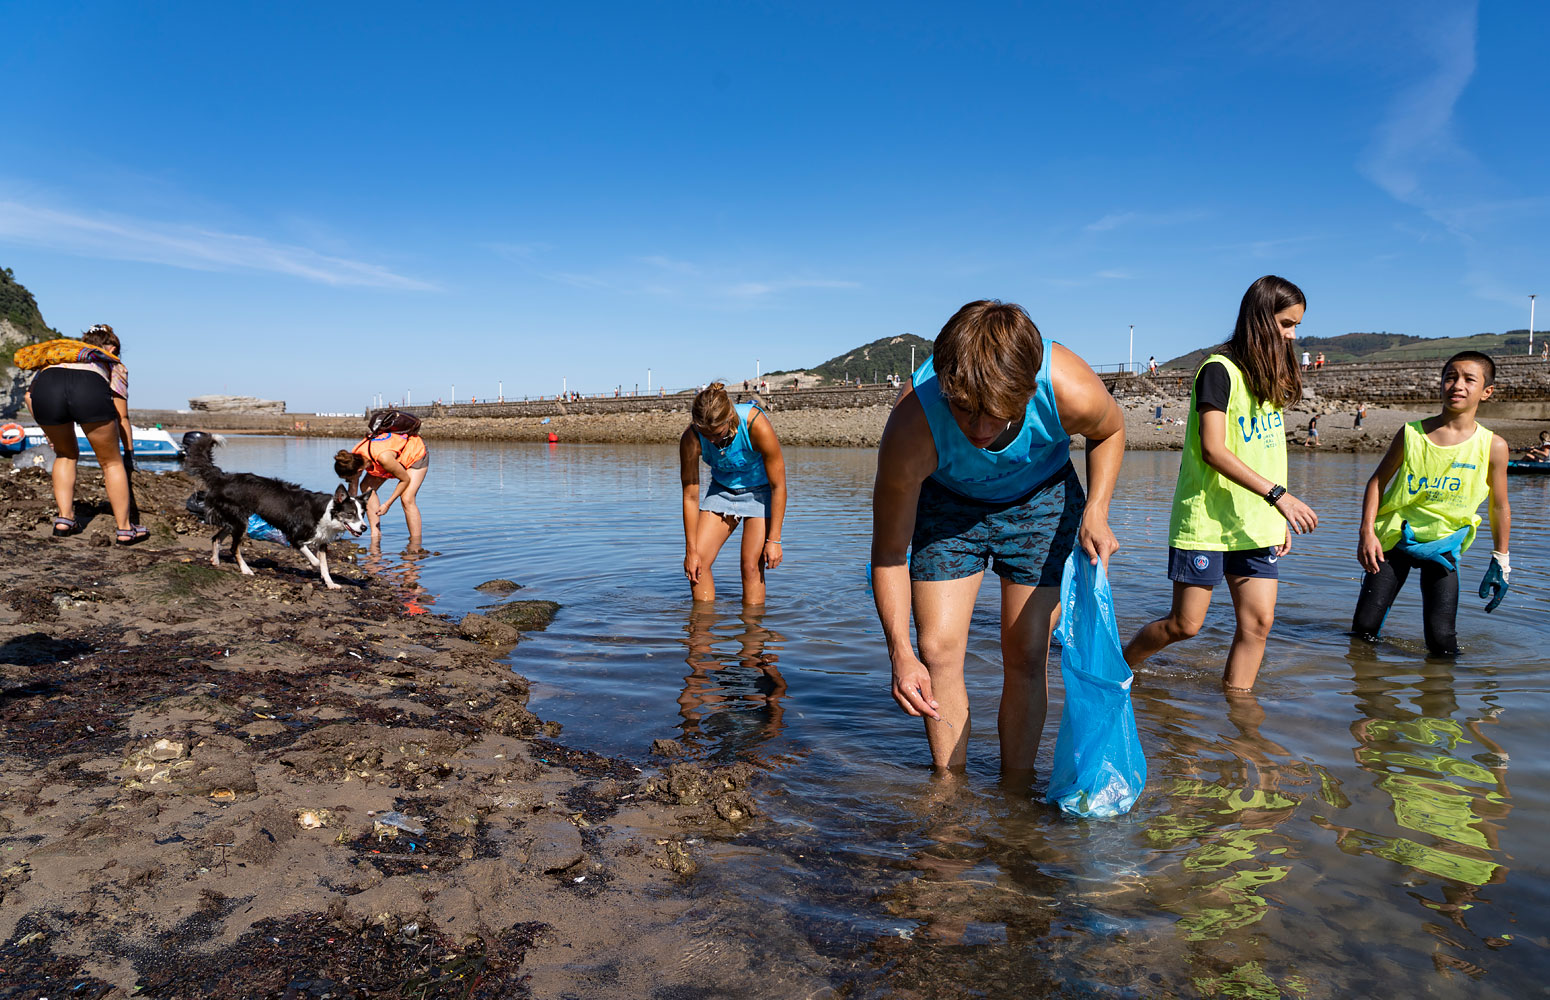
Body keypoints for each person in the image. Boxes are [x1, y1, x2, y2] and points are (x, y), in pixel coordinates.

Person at [871, 300, 1124, 777]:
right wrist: (899, 653)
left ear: (1027, 391)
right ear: (946, 388)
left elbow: (1110, 430)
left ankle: (1016, 791)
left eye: (998, 413)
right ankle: (949, 791)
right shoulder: (913, 424)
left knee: (1026, 651)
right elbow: (887, 555)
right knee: (937, 651)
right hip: (947, 502)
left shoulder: (1067, 387)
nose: (981, 429)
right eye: (965, 411)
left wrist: (1096, 509)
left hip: (1041, 498)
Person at [1123, 275, 1318, 692]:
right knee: (1185, 625)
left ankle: (1238, 711)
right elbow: (1213, 449)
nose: (1292, 335)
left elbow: (1266, 453)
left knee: (1259, 624)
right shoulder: (1218, 370)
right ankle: (1117, 670)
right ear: (1260, 318)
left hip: (1256, 522)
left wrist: (1275, 518)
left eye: (1296, 326)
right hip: (1207, 522)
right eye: (1286, 324)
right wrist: (1280, 498)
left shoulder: (1268, 376)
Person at [1352, 352, 1511, 656]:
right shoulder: (1411, 433)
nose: (1457, 385)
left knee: (1441, 642)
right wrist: (1367, 532)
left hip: (1443, 546)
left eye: (1469, 379)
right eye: (1450, 377)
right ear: (1440, 384)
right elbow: (1377, 482)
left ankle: (1441, 686)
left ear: (1487, 391)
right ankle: (1365, 682)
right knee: (1363, 628)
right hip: (1393, 540)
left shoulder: (1493, 446)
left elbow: (1499, 506)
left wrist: (1501, 559)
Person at [22, 324, 141, 543]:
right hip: (88, 387)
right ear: (113, 348)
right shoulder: (112, 363)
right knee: (111, 463)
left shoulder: (60, 355)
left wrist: (48, 432)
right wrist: (129, 453)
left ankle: (64, 519)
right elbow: (122, 416)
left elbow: (29, 397)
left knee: (65, 455)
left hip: (48, 388)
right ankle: (125, 529)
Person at [680, 382, 787, 604]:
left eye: (716, 434)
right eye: (705, 435)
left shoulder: (755, 424)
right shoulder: (692, 438)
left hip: (761, 491)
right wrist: (690, 550)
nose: (712, 441)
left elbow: (778, 485)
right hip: (721, 489)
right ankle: (702, 622)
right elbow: (690, 496)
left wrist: (774, 539)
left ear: (729, 417)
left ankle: (753, 625)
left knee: (751, 566)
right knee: (698, 564)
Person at [334, 427, 429, 551]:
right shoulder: (353, 459)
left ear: (359, 471)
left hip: (414, 453)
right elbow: (353, 491)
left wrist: (387, 504)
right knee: (366, 487)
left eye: (348, 478)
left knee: (407, 499)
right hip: (391, 459)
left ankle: (415, 545)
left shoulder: (383, 458)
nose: (348, 481)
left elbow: (405, 479)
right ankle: (375, 534)